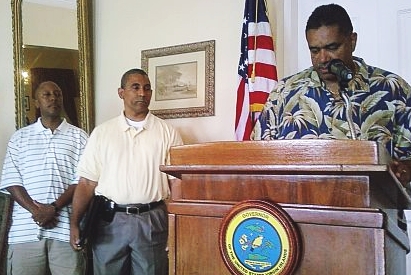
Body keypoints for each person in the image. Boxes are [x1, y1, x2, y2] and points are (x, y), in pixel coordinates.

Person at [251, 4, 411, 189]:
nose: (323, 59)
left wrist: (405, 170)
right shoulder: (284, 94)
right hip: (302, 213)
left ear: (352, 41)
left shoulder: (392, 88)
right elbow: (257, 157)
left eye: (332, 47)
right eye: (315, 51)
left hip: (375, 211)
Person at [69, 68, 184, 275]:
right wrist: (74, 223)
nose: (142, 93)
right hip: (109, 221)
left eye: (147, 88)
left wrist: (176, 228)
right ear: (121, 93)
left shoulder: (167, 132)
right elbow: (87, 183)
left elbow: (177, 185)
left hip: (152, 219)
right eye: (135, 87)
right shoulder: (102, 133)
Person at [0, 81, 88, 275]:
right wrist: (36, 210)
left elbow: (82, 181)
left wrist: (53, 208)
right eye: (46, 94)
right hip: (25, 232)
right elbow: (11, 180)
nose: (53, 98)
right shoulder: (20, 138)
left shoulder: (80, 137)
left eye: (57, 93)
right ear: (37, 102)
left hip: (65, 230)